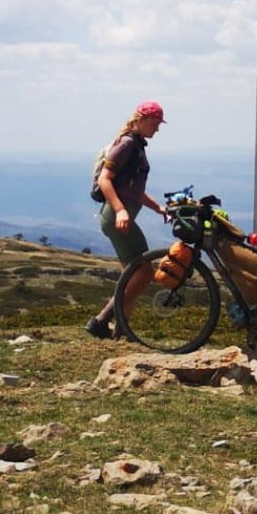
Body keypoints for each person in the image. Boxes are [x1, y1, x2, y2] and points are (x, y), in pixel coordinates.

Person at [86, 100, 170, 339]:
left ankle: (121, 332)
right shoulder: (127, 144)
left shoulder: (137, 145)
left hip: (119, 216)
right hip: (116, 217)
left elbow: (133, 189)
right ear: (140, 120)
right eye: (154, 123)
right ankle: (101, 321)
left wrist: (158, 208)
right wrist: (121, 210)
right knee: (144, 273)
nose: (157, 129)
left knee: (133, 277)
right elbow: (104, 179)